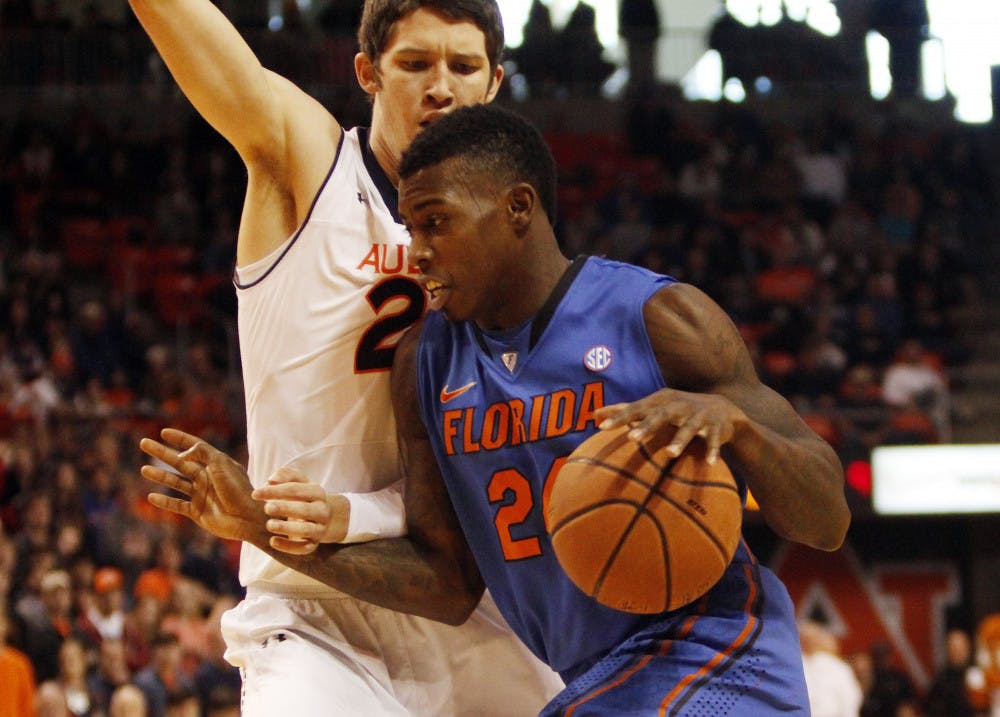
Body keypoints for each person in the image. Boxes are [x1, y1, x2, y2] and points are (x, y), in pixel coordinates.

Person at [140, 103, 852, 715]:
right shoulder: (426, 363)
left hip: (723, 651)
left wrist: (744, 427)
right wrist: (255, 524)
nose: (414, 252)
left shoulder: (659, 318)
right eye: (410, 228)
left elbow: (826, 519)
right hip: (603, 680)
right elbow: (447, 582)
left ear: (518, 209)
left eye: (435, 223)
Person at [126, 0, 561, 714]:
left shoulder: (511, 243)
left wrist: (355, 512)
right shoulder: (311, 164)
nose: (440, 86)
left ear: (493, 84)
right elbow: (214, 57)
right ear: (367, 71)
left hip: (459, 601)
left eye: (462, 66)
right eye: (415, 63)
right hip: (312, 607)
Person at [799, 618, 863, 717]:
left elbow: (850, 699)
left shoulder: (837, 667)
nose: (809, 642)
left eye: (813, 638)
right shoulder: (795, 665)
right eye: (805, 638)